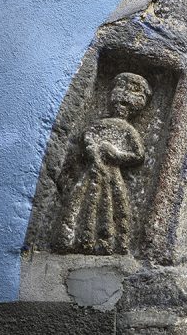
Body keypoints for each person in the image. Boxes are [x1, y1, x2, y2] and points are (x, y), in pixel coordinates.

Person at [54, 72, 152, 255]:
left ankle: (109, 243)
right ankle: (72, 239)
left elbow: (138, 155)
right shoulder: (101, 124)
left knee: (111, 206)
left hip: (111, 174)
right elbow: (87, 136)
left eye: (125, 105)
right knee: (82, 201)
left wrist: (116, 154)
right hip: (92, 171)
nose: (121, 108)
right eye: (119, 103)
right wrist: (91, 148)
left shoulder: (128, 130)